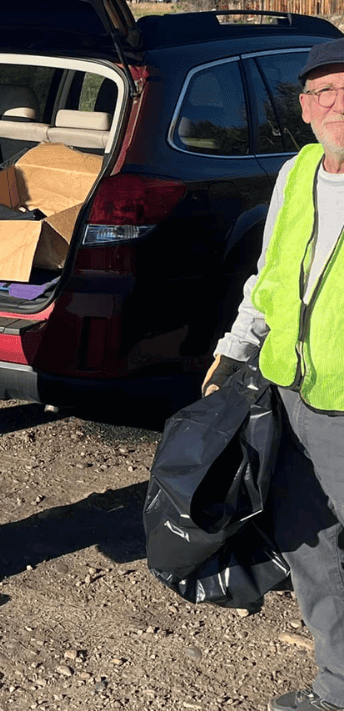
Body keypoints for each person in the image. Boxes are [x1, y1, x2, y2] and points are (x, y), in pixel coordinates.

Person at [204, 36, 344, 711]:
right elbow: (269, 278)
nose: (334, 103)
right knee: (309, 539)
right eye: (321, 92)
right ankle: (338, 685)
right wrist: (235, 347)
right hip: (290, 391)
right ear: (305, 108)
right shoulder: (298, 173)